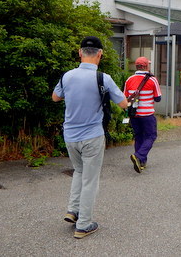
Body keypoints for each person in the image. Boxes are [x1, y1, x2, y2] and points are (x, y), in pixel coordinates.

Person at [52, 36, 128, 238]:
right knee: (90, 180)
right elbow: (123, 104)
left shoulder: (67, 76)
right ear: (100, 54)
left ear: (80, 52)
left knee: (78, 171)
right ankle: (84, 224)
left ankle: (73, 210)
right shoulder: (104, 78)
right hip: (92, 136)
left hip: (70, 135)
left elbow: (55, 97)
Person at [124, 57, 162, 173]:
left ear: (136, 66)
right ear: (146, 66)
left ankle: (141, 163)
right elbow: (158, 98)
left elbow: (125, 96)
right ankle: (139, 155)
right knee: (151, 136)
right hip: (147, 115)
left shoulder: (129, 79)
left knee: (139, 136)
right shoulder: (152, 80)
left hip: (134, 115)